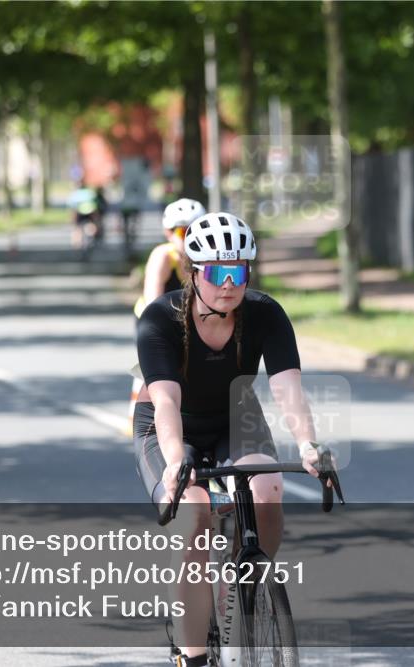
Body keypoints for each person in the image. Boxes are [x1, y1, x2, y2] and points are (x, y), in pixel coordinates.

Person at [134, 212, 325, 665]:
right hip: (170, 423)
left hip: (235, 415)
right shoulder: (160, 319)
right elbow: (164, 403)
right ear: (195, 273)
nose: (229, 283)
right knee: (195, 514)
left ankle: (250, 582)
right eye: (218, 272)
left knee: (268, 488)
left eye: (238, 271)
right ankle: (193, 654)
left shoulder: (264, 313)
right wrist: (178, 460)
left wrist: (309, 444)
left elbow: (287, 389)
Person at [127, 198, 206, 433]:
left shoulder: (203, 259)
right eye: (181, 230)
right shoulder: (164, 257)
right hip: (154, 317)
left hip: (186, 318)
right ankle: (138, 414)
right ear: (168, 232)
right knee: (152, 364)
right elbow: (153, 302)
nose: (186, 237)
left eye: (193, 230)